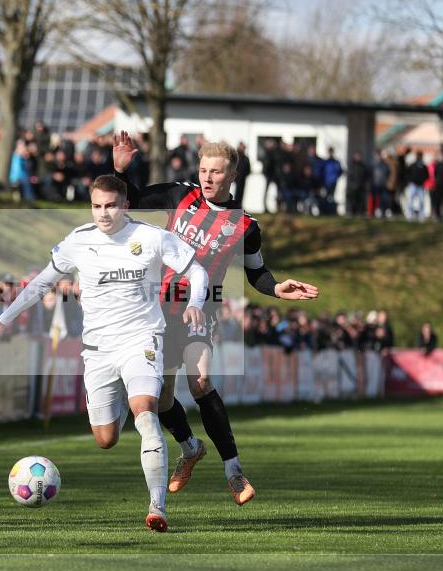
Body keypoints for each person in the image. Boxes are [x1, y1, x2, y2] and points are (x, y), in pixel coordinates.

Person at [0, 174, 209, 532]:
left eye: (111, 206)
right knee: (106, 439)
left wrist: (196, 301)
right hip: (98, 349)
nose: (103, 214)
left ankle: (157, 507)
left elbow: (197, 270)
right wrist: (3, 319)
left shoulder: (150, 238)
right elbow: (43, 281)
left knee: (145, 412)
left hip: (142, 339)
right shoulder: (79, 240)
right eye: (97, 206)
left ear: (126, 206)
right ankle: (182, 444)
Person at [112, 132, 320, 505]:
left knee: (201, 380)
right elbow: (135, 199)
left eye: (217, 172)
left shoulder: (246, 226)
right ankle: (190, 448)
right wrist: (121, 170)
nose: (208, 178)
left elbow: (257, 273)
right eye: (204, 170)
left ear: (233, 176)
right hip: (159, 310)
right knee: (160, 401)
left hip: (201, 310)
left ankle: (234, 471)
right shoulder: (181, 195)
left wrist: (278, 288)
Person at [233, 142, 251, 209]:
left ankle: (239, 205)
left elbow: (248, 169)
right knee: (236, 193)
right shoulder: (236, 157)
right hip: (237, 179)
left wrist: (245, 175)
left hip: (243, 179)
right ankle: (235, 205)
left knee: (241, 193)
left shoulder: (246, 158)